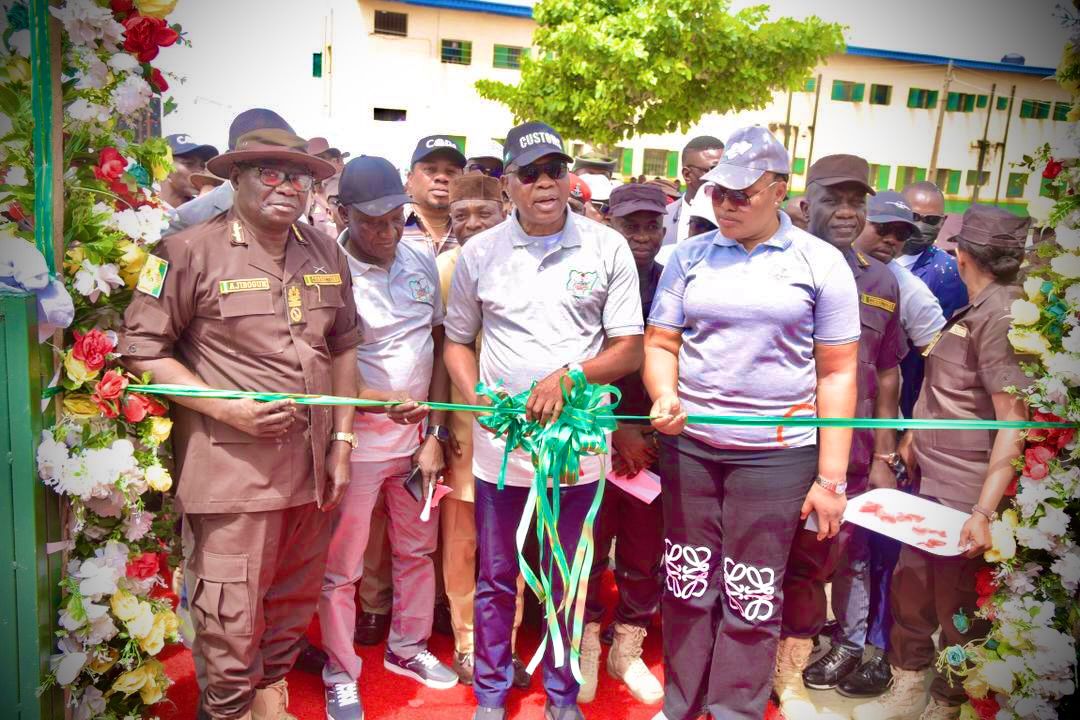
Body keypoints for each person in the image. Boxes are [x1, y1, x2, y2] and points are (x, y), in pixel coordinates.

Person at [120, 129, 359, 720]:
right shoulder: (184, 251)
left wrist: (344, 442)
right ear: (237, 178)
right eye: (270, 174)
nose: (288, 187)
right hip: (233, 476)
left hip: (310, 472)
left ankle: (267, 698)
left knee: (292, 602)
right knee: (229, 617)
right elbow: (141, 351)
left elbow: (345, 347)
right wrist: (224, 405)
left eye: (300, 177)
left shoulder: (326, 252)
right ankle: (226, 711)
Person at [644, 126, 859, 720]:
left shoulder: (821, 263)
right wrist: (664, 395)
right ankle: (682, 704)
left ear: (779, 189)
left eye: (742, 193)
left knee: (752, 592)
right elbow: (661, 342)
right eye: (718, 194)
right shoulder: (688, 257)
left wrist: (832, 479)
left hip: (776, 457)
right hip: (691, 448)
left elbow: (839, 373)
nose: (727, 205)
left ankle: (735, 709)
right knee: (687, 585)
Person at [444, 120, 644, 720]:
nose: (544, 184)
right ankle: (491, 693)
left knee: (569, 577)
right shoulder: (479, 252)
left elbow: (629, 347)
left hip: (576, 451)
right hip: (503, 450)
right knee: (498, 573)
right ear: (509, 184)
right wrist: (475, 394)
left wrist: (573, 376)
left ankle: (561, 695)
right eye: (529, 174)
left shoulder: (606, 246)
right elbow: (456, 341)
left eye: (554, 170)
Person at [854, 206, 1033, 720]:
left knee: (956, 609)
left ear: (960, 255)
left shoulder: (1000, 316)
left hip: (964, 490)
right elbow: (946, 397)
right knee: (912, 590)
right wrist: (909, 442)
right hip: (930, 482)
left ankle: (947, 701)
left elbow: (1012, 422)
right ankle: (909, 685)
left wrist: (983, 510)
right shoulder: (979, 309)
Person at [319, 155, 459, 719]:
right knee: (343, 569)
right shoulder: (327, 270)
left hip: (415, 445)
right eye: (370, 220)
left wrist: (434, 431)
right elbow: (328, 362)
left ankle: (409, 647)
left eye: (394, 218)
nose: (384, 232)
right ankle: (339, 669)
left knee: (416, 552)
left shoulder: (422, 259)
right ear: (341, 213)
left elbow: (441, 347)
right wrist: (370, 413)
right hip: (353, 446)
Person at [775, 156, 906, 720]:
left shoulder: (880, 279)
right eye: (835, 198)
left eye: (858, 201)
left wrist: (883, 453)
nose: (849, 212)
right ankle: (742, 663)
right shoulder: (775, 263)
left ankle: (790, 673)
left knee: (823, 564)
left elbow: (888, 373)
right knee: (759, 563)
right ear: (806, 201)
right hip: (772, 451)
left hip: (845, 457)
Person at [834, 191, 947, 699]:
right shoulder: (817, 262)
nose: (891, 241)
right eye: (883, 228)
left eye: (902, 234)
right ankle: (841, 640)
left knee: (875, 551)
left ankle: (874, 650)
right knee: (832, 550)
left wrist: (902, 440)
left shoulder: (906, 286)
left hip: (874, 440)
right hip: (808, 436)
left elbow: (932, 365)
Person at [438, 174, 532, 688]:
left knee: (509, 546)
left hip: (520, 435)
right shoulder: (448, 268)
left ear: (504, 208)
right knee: (463, 543)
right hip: (461, 430)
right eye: (460, 216)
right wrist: (436, 429)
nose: (472, 225)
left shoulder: (525, 263)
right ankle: (467, 641)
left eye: (483, 213)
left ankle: (506, 643)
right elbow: (438, 352)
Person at [579, 183, 668, 706]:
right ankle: (587, 642)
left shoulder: (675, 278)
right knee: (588, 548)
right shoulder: (592, 272)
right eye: (630, 224)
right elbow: (577, 355)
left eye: (651, 225)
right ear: (609, 221)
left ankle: (626, 649)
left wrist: (650, 430)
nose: (641, 235)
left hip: (656, 447)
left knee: (642, 552)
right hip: (593, 434)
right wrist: (615, 428)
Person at [164, 108, 294, 237]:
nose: (286, 187)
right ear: (235, 173)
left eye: (292, 172)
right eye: (268, 171)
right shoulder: (188, 219)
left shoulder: (295, 217)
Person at [897, 181, 967, 418]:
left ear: (943, 222)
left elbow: (942, 349)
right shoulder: (872, 254)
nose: (920, 226)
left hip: (912, 393)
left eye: (930, 220)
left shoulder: (949, 273)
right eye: (913, 216)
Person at [659, 135, 724, 259]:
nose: (722, 176)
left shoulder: (740, 219)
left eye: (726, 169)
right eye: (714, 169)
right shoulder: (662, 219)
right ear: (687, 175)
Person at [404, 135, 467, 256]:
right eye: (430, 169)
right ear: (410, 178)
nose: (442, 178)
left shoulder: (473, 228)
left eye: (451, 172)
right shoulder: (390, 225)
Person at [160, 134, 219, 209]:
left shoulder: (207, 210)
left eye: (202, 166)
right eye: (189, 163)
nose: (200, 171)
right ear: (164, 168)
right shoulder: (144, 208)